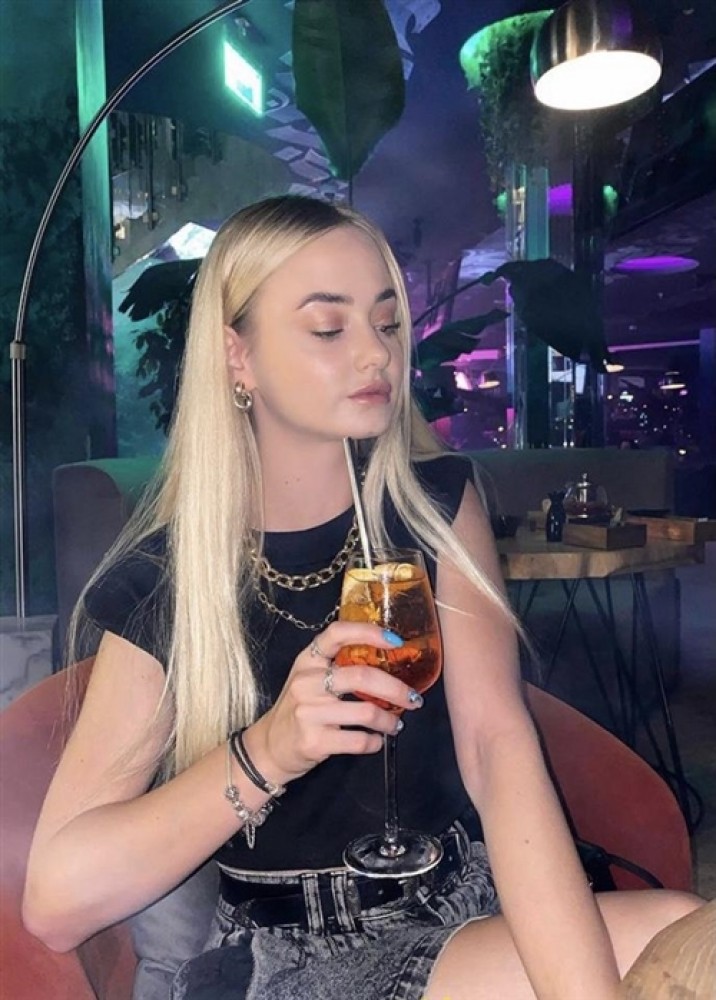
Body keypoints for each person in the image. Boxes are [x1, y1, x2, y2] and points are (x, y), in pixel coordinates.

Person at [23, 195, 702, 1000]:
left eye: (385, 322)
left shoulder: (433, 504)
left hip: (463, 900)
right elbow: (55, 904)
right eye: (328, 328)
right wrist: (270, 749)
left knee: (693, 940)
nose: (375, 353)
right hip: (292, 954)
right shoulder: (167, 582)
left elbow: (498, 748)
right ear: (238, 356)